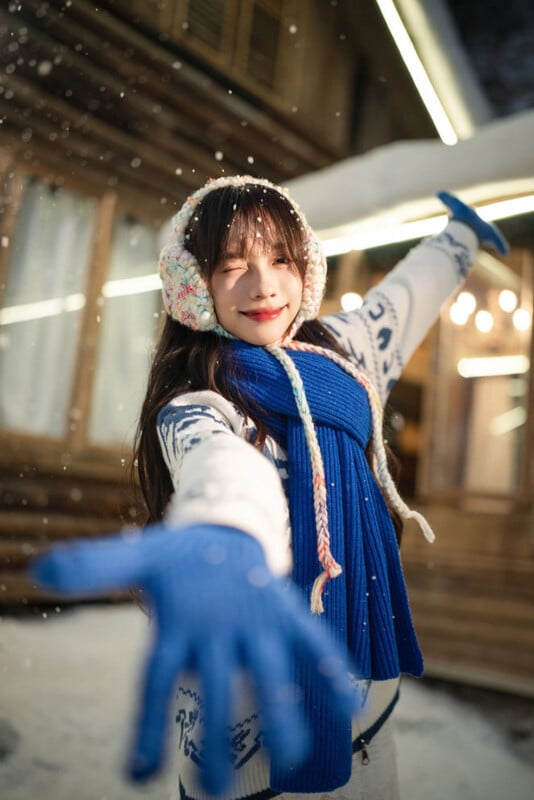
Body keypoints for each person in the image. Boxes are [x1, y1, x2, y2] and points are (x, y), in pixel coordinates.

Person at [31, 176, 507, 800]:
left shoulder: (342, 356)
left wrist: (461, 237)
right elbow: (225, 471)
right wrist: (226, 532)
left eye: (280, 258)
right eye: (232, 266)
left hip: (370, 731)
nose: (263, 286)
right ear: (195, 288)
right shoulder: (198, 405)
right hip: (254, 754)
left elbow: (404, 300)